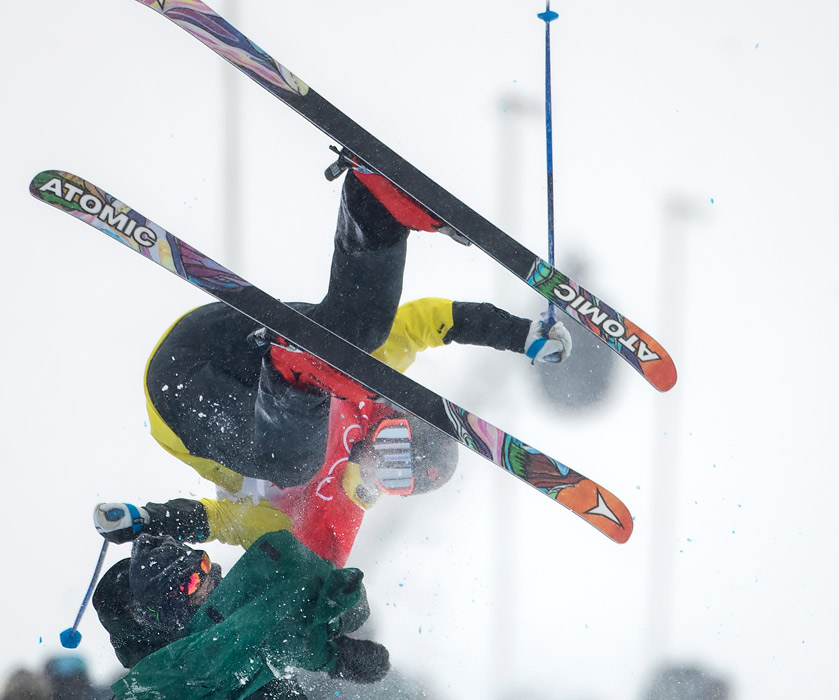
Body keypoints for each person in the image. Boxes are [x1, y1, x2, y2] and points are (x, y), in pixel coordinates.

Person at [97, 157, 574, 566]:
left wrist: (150, 519)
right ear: (402, 418)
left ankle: (296, 374)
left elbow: (222, 520)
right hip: (226, 340)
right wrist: (519, 334)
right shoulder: (375, 379)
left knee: (296, 463)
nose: (382, 459)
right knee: (361, 335)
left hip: (181, 405)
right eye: (397, 445)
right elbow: (434, 321)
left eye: (394, 473)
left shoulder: (323, 514)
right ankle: (373, 204)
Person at [92, 530, 389, 700]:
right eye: (191, 582)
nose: (207, 580)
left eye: (203, 564)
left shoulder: (241, 600)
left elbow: (341, 600)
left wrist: (333, 621)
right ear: (160, 612)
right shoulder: (158, 682)